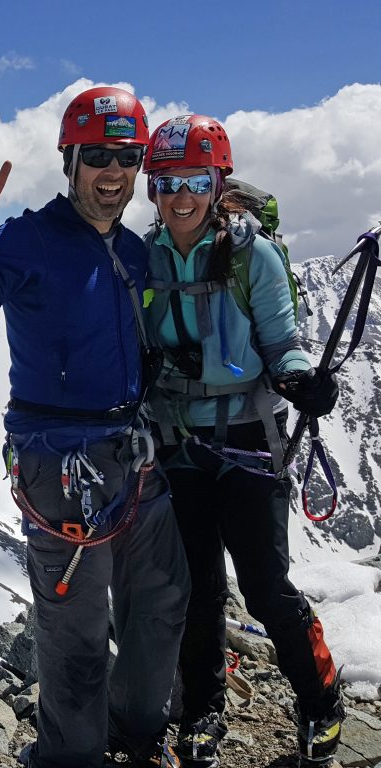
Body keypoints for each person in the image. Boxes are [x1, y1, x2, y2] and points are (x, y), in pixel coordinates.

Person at [0, 86, 190, 768]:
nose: (114, 172)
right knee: (76, 636)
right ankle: (69, 758)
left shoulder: (136, 252)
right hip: (60, 466)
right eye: (100, 157)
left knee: (163, 600)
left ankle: (137, 734)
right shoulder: (27, 238)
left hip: (133, 455)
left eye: (127, 157)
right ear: (71, 161)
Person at [141, 114, 344, 767]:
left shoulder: (252, 255)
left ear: (216, 181)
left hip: (249, 440)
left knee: (264, 586)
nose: (180, 197)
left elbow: (282, 344)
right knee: (197, 586)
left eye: (195, 181)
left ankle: (321, 703)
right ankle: (202, 714)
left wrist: (300, 380)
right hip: (178, 440)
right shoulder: (146, 257)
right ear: (153, 188)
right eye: (167, 182)